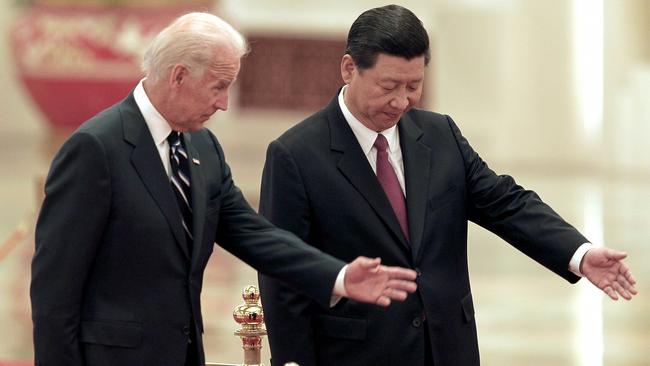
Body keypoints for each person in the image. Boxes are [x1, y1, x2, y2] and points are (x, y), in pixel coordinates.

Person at [30, 12, 420, 366]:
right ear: (178, 76)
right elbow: (54, 292)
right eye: (218, 87)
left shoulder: (202, 147)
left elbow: (254, 234)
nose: (224, 104)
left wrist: (337, 276)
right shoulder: (96, 148)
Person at [257, 4, 637, 366]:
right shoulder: (295, 155)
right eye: (388, 85)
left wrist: (580, 253)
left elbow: (507, 203)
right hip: (356, 354)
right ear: (348, 69)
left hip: (448, 349)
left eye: (414, 85)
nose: (401, 101)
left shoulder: (440, 136)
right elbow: (283, 279)